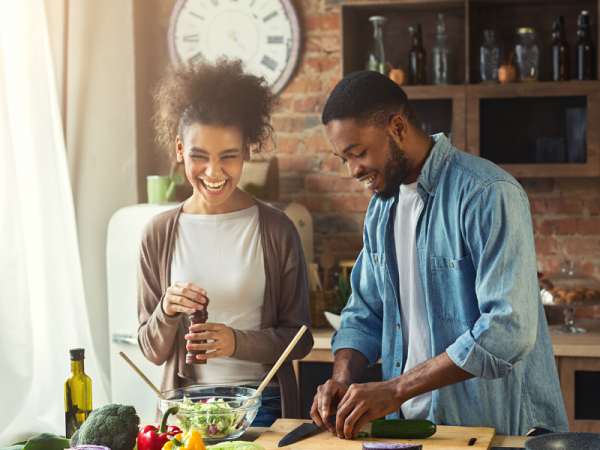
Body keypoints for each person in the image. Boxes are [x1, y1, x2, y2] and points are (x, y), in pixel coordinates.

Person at [310, 70, 569, 438]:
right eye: (343, 159)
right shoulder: (381, 209)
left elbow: (508, 328)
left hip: (495, 431)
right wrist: (341, 379)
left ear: (398, 127)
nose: (354, 171)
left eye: (360, 153)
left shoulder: (487, 193)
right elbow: (364, 312)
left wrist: (396, 389)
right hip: (409, 429)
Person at [137, 58, 313, 426]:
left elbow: (301, 339)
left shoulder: (277, 230)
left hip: (261, 406)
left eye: (228, 157)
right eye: (199, 157)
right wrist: (166, 312)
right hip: (185, 410)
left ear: (247, 150)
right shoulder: (158, 234)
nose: (214, 173)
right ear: (180, 149)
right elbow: (151, 350)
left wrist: (236, 342)